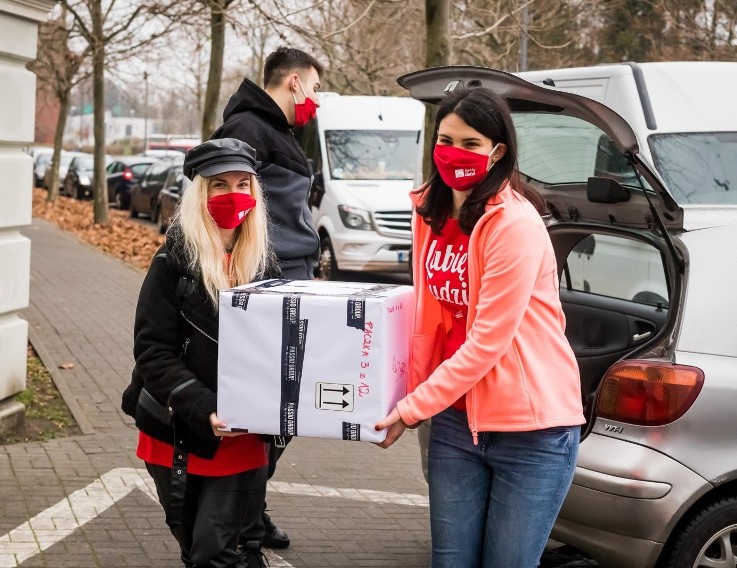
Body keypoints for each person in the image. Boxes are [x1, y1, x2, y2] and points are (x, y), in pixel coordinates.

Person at [375, 87, 585, 568]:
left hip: (531, 431)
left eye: (470, 143)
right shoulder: (429, 210)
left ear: (498, 152)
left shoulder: (515, 225)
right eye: (446, 139)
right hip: (455, 424)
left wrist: (411, 409)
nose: (455, 152)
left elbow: (487, 341)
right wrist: (404, 395)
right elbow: (430, 318)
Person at [122, 138, 274, 568]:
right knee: (193, 548)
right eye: (219, 185)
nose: (233, 196)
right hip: (174, 434)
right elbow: (152, 352)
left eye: (243, 184)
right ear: (199, 194)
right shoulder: (172, 263)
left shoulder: (264, 265)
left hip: (242, 439)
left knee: (213, 554)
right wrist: (202, 407)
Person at [210, 46, 324, 550]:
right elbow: (220, 203)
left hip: (285, 277)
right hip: (269, 284)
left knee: (281, 412)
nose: (315, 100)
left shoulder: (270, 130)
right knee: (274, 411)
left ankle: (249, 513)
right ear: (295, 83)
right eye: (315, 88)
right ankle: (241, 520)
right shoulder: (248, 129)